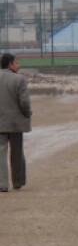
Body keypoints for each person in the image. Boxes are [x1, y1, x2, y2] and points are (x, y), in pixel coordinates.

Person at [0, 53, 31, 193]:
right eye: (16, 63)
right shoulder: (19, 79)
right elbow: (24, 102)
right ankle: (17, 182)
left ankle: (2, 184)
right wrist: (27, 114)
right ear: (10, 64)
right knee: (17, 152)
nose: (18, 65)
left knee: (1, 152)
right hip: (16, 123)